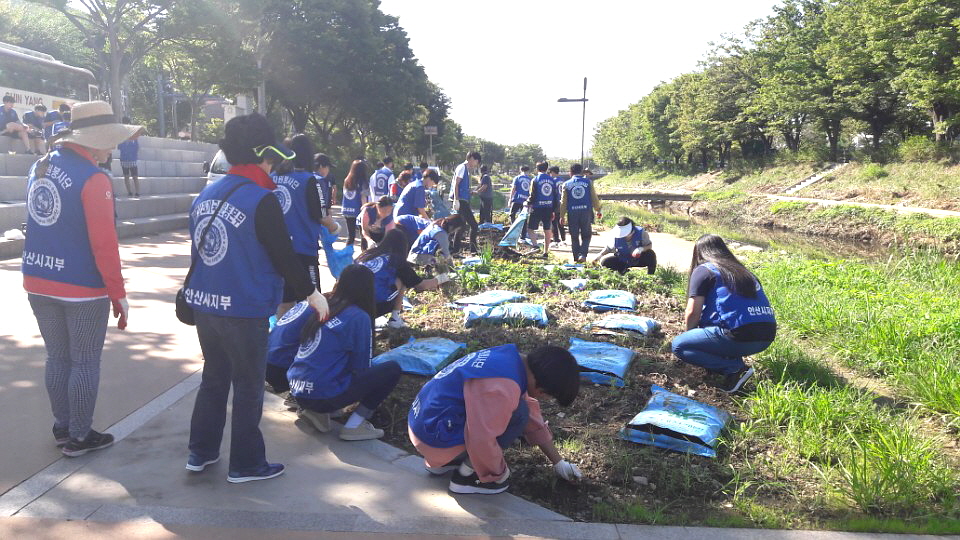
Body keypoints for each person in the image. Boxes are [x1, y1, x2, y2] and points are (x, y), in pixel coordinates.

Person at [184, 112, 329, 483]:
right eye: (271, 157)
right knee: (248, 386)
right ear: (263, 154)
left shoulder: (206, 194)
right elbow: (284, 256)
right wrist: (312, 293)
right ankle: (246, 464)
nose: (273, 164)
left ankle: (200, 453)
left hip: (205, 306)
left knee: (214, 380)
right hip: (244, 309)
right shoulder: (262, 199)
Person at [22, 101, 140, 457]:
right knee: (85, 361)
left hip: (38, 279)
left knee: (57, 358)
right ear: (92, 141)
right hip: (81, 287)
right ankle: (79, 435)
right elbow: (104, 243)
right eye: (108, 141)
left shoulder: (39, 166)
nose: (112, 148)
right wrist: (118, 294)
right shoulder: (94, 178)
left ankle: (62, 427)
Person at [408, 344, 583, 494]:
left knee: (522, 410)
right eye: (548, 396)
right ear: (542, 389)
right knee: (519, 414)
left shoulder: (510, 361)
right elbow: (481, 437)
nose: (545, 399)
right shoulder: (503, 387)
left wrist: (558, 462)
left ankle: (447, 462)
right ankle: (468, 477)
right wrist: (496, 472)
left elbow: (532, 416)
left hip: (423, 425)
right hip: (433, 439)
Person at [288, 264, 401, 441]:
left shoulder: (325, 306)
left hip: (298, 390)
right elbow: (361, 367)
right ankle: (354, 425)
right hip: (322, 394)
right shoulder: (358, 317)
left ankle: (317, 412)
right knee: (391, 369)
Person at [671, 234, 776, 393]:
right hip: (766, 336)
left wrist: (691, 337)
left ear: (699, 253)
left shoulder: (704, 270)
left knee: (680, 345)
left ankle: (734, 368)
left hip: (739, 335)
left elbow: (693, 312)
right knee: (715, 325)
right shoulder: (744, 272)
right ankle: (730, 359)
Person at [272, 134, 339, 319]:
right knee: (311, 299)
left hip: (277, 249)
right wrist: (335, 228)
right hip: (303, 250)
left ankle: (283, 338)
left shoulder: (273, 177)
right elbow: (320, 215)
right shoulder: (310, 180)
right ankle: (308, 341)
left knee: (284, 300)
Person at [357, 229, 451, 328]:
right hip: (373, 307)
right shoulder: (397, 262)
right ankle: (395, 319)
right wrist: (443, 278)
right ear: (403, 246)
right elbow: (421, 286)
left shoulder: (366, 255)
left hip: (350, 303)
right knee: (402, 280)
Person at [558, 163, 602, 263]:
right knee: (586, 235)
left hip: (572, 213)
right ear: (581, 171)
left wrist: (561, 215)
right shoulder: (588, 182)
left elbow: (563, 202)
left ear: (570, 172)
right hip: (586, 212)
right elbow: (594, 198)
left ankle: (576, 258)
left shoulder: (566, 184)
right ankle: (583, 254)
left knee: (574, 236)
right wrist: (598, 209)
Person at [591, 217, 656, 274]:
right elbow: (609, 248)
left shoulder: (641, 233)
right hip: (623, 259)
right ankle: (624, 272)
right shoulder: (616, 236)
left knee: (651, 254)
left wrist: (641, 249)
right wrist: (599, 255)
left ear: (632, 231)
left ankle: (651, 274)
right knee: (605, 262)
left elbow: (649, 245)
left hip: (638, 259)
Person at [449, 151, 481, 254]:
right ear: (471, 158)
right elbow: (456, 184)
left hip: (463, 199)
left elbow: (461, 186)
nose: (476, 164)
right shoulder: (462, 167)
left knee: (461, 226)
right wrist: (456, 199)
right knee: (473, 225)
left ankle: (455, 250)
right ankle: (472, 249)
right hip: (461, 201)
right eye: (476, 161)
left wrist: (469, 192)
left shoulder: (465, 169)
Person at [524, 161, 558, 257]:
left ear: (537, 169)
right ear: (547, 169)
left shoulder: (535, 180)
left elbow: (532, 195)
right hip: (549, 208)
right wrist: (554, 210)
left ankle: (535, 246)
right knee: (547, 229)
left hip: (537, 208)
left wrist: (527, 202)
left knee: (530, 229)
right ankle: (546, 251)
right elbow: (555, 196)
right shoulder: (552, 180)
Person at [341, 159, 366, 246]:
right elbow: (363, 198)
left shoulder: (347, 180)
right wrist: (365, 211)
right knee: (363, 235)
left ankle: (347, 255)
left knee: (351, 236)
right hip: (358, 211)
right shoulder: (362, 182)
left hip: (347, 210)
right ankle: (364, 255)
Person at [117, 117, 141, 197]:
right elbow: (119, 146)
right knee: (129, 176)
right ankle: (131, 192)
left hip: (130, 158)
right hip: (125, 158)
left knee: (133, 176)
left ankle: (136, 192)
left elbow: (136, 146)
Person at [547, 165, 566, 246]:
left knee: (554, 221)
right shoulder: (562, 180)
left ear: (553, 172)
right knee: (560, 221)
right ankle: (563, 239)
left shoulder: (552, 181)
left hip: (555, 203)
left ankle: (556, 239)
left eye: (550, 173)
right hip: (562, 203)